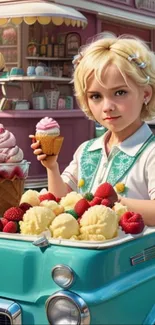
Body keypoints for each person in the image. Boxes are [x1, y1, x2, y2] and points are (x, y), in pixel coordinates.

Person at [31, 34, 155, 226]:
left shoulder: (151, 152)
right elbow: (61, 203)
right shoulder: (87, 150)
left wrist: (114, 202)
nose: (107, 106)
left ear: (145, 94)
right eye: (96, 96)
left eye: (120, 92)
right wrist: (52, 167)